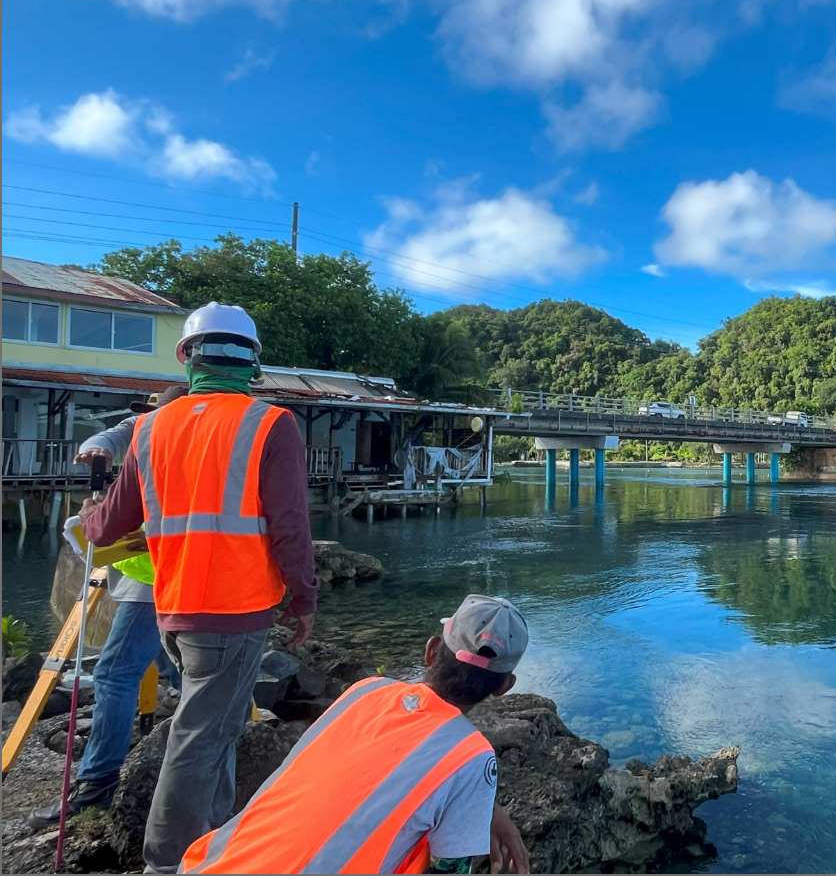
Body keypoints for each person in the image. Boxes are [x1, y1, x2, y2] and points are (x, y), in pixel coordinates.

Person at [80, 302, 318, 873]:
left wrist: (87, 514)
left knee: (218, 730)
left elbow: (107, 524)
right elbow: (289, 524)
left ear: (186, 356)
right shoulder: (271, 423)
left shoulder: (149, 427)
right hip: (234, 612)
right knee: (199, 740)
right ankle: (166, 864)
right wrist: (304, 596)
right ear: (253, 363)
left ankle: (213, 844)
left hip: (174, 608)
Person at [180, 595, 532, 875]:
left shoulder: (365, 692)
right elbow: (451, 870)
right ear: (503, 686)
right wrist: (476, 803)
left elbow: (376, 771)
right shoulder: (471, 756)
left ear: (431, 650)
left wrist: (483, 806)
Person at [27, 386, 188, 827]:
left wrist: (95, 515)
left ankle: (97, 782)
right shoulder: (158, 431)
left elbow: (115, 518)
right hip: (168, 577)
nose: (146, 421)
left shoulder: (169, 447)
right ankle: (208, 755)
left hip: (154, 579)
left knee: (116, 674)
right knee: (183, 669)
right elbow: (117, 432)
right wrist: (96, 446)